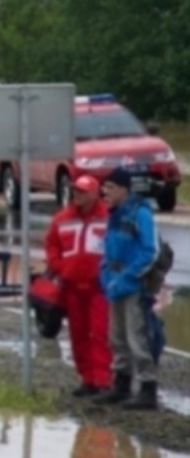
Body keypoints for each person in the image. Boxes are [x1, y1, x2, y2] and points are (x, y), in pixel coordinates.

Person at [94, 167, 164, 410]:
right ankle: (121, 384)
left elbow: (150, 251)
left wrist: (128, 277)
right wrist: (105, 275)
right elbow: (108, 248)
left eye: (110, 187)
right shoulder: (114, 214)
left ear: (124, 188)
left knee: (138, 336)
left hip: (134, 285)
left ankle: (147, 388)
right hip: (115, 284)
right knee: (117, 336)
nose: (105, 192)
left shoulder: (140, 213)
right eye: (105, 188)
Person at [42, 174, 112, 396]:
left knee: (100, 333)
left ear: (94, 193)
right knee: (78, 333)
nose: (77, 195)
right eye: (75, 190)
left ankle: (103, 380)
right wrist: (60, 267)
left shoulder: (108, 216)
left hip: (100, 286)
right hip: (72, 286)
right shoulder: (62, 218)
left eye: (82, 191)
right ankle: (87, 379)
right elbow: (52, 246)